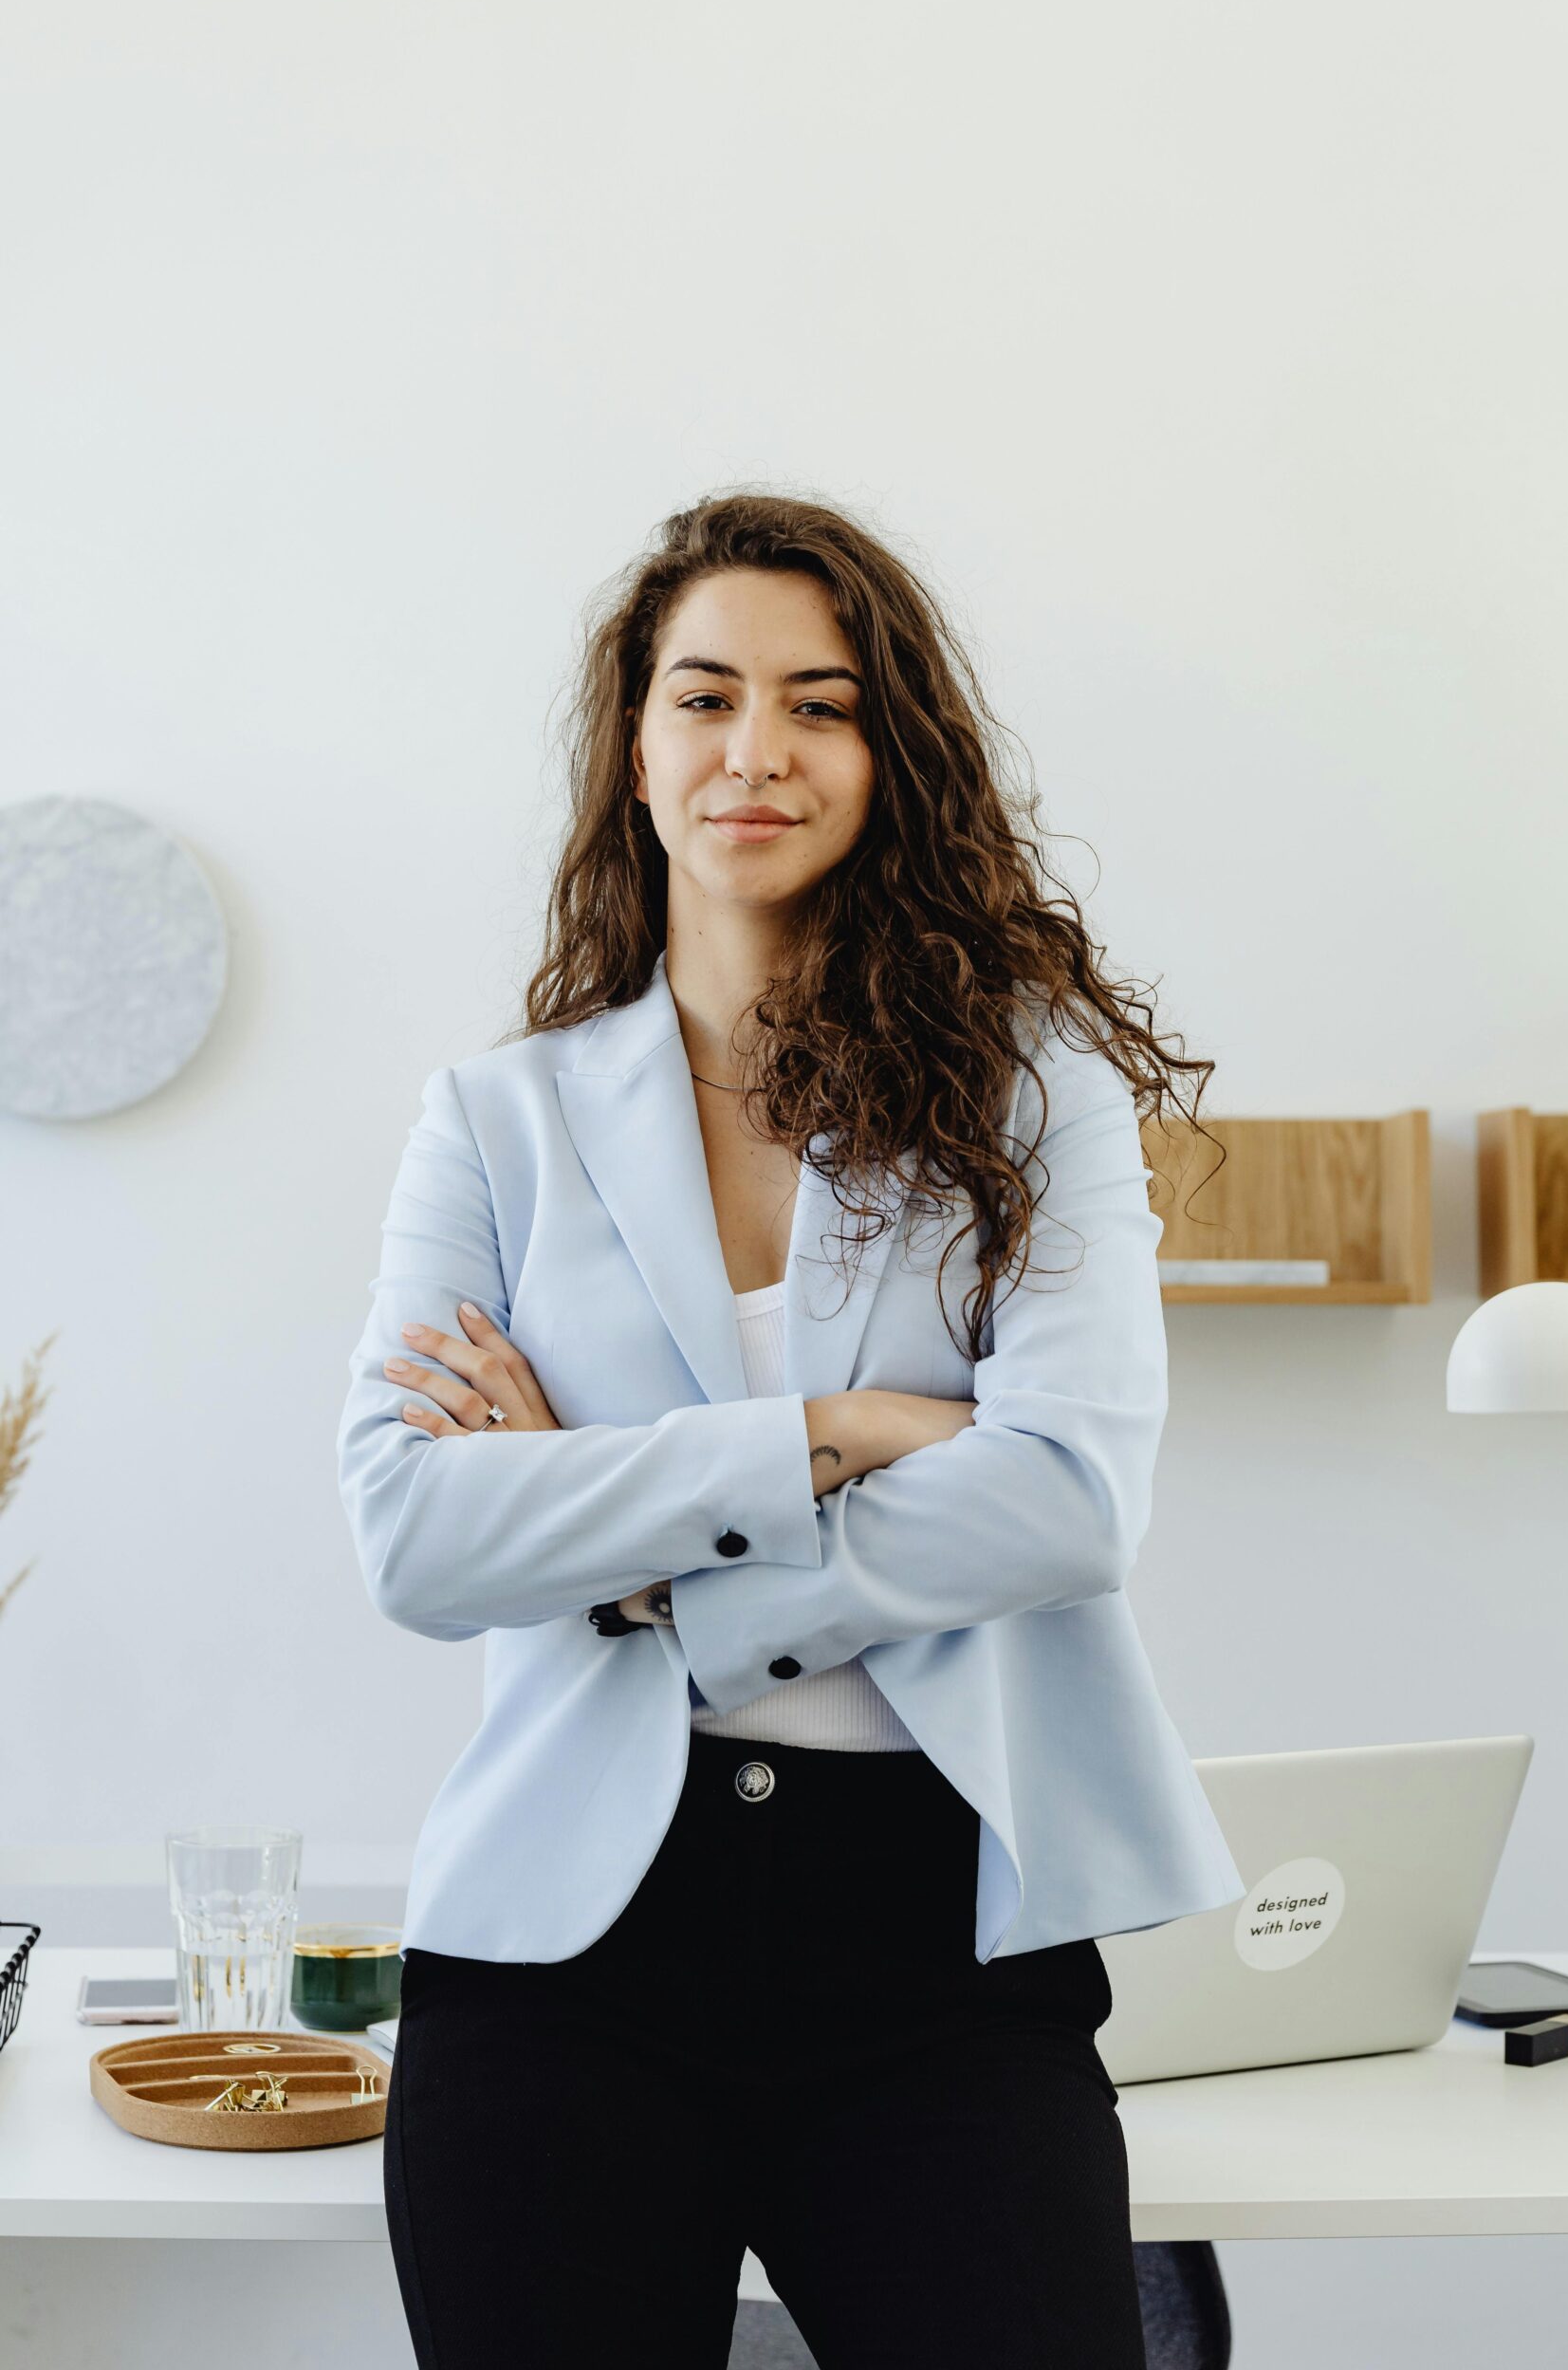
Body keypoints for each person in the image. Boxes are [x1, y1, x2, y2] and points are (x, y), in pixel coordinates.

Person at [336, 491, 1246, 2368]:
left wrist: (625, 1553)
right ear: (635, 748)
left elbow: (1066, 1500)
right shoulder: (492, 1121)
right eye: (706, 696)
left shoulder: (1032, 1091)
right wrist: (831, 1427)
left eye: (819, 703)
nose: (757, 748)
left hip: (940, 1957)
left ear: (885, 755)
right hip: (557, 1959)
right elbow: (418, 1539)